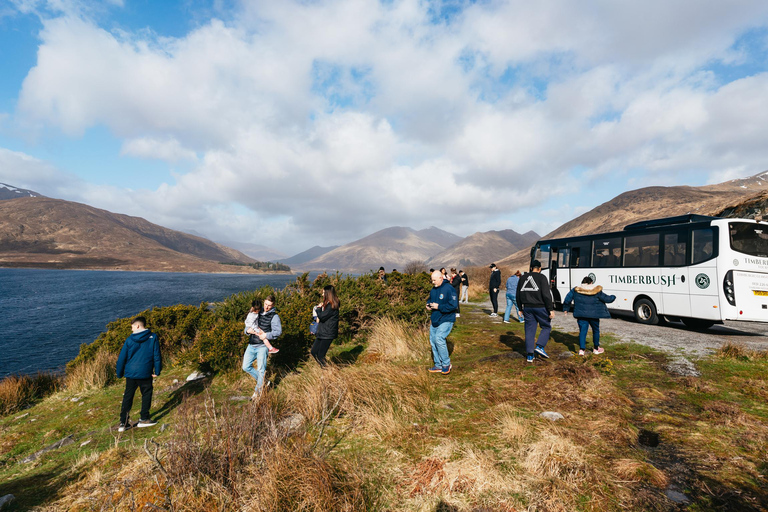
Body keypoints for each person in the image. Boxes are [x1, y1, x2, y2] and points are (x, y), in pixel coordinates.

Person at [116, 316, 161, 431]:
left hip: (131, 373)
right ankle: (144, 419)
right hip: (145, 372)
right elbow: (157, 355)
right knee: (146, 393)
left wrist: (119, 373)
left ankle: (123, 423)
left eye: (132, 327)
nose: (131, 330)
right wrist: (157, 370)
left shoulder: (129, 340)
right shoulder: (153, 337)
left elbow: (122, 358)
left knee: (128, 396)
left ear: (137, 326)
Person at [563, 276, 616, 356]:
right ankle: (596, 348)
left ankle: (581, 350)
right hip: (594, 315)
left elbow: (567, 299)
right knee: (596, 330)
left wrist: (566, 309)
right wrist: (613, 296)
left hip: (581, 315)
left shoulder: (576, 290)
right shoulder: (596, 290)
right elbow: (607, 299)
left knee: (583, 331)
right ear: (591, 283)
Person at [242, 294, 282, 398]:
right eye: (265, 304)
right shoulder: (257, 310)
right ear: (263, 302)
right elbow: (248, 325)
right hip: (251, 344)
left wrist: (266, 335)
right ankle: (265, 381)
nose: (267, 307)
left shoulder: (274, 316)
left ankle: (258, 393)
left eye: (269, 305)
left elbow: (278, 332)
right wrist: (247, 331)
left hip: (262, 347)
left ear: (273, 305)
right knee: (245, 367)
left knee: (261, 370)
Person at [516, 260, 555, 363]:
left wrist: (520, 308)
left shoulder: (523, 278)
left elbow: (518, 295)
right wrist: (550, 309)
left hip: (527, 308)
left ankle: (529, 355)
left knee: (529, 330)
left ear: (531, 268)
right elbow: (546, 295)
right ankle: (540, 346)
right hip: (541, 307)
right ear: (540, 269)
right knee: (546, 326)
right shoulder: (542, 277)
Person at [426, 270, 458, 375]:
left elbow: (453, 305)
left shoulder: (449, 289)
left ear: (441, 278)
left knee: (439, 339)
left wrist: (439, 306)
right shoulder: (433, 289)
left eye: (434, 280)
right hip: (435, 319)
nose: (433, 282)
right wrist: (428, 305)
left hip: (447, 318)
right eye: (432, 280)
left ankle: (446, 364)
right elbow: (430, 299)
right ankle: (438, 365)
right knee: (433, 341)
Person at [311, 285, 340, 367]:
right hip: (323, 332)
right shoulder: (328, 304)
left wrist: (318, 309)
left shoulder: (332, 305)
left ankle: (327, 370)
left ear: (328, 294)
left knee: (320, 355)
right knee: (314, 352)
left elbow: (322, 317)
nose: (322, 294)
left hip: (327, 333)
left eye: (324, 293)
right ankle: (324, 368)